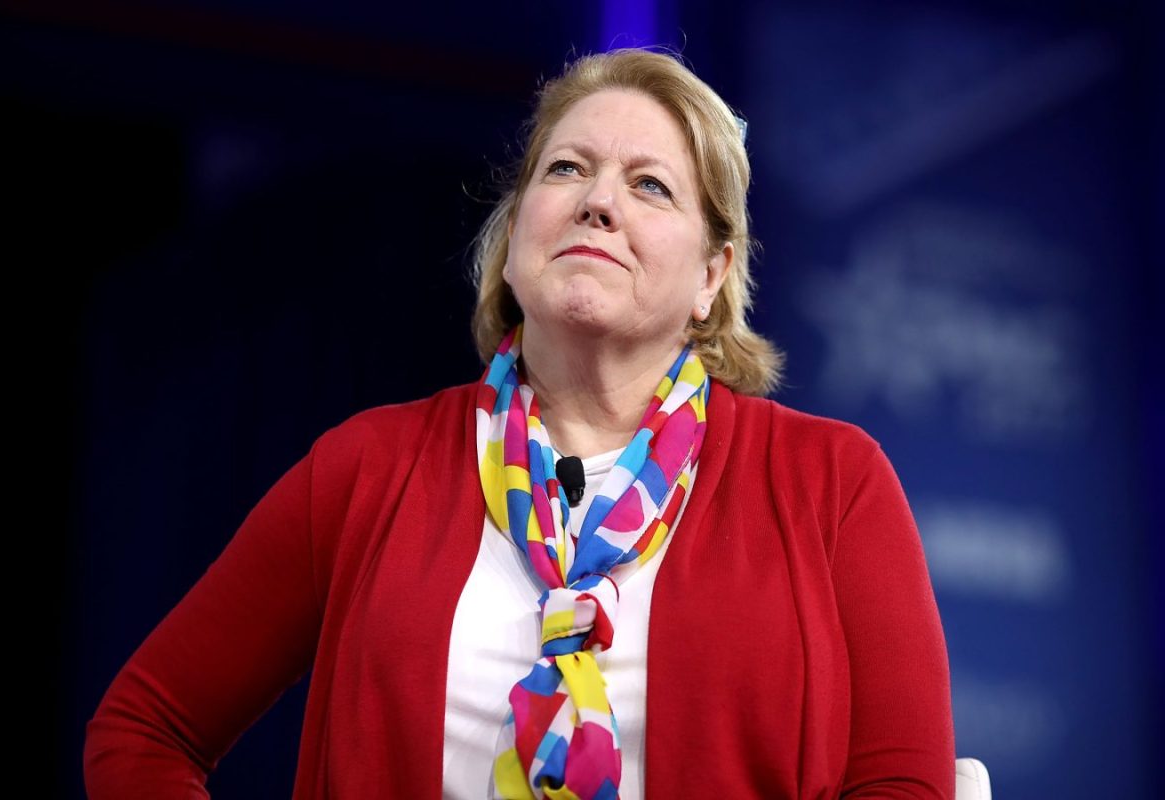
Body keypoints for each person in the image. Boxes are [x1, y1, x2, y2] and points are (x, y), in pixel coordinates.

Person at [84, 48, 955, 799]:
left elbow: (904, 784)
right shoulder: (367, 469)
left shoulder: (831, 481)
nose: (597, 202)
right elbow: (145, 729)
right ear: (512, 240)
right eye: (566, 169)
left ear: (711, 277)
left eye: (649, 185)